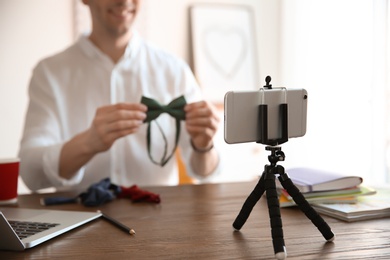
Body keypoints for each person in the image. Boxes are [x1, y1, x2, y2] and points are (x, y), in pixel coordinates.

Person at [18, 0, 221, 192]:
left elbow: (205, 173)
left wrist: (204, 146)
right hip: (79, 221)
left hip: (160, 221)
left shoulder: (175, 70)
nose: (125, 1)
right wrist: (88, 143)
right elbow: (30, 172)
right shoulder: (49, 73)